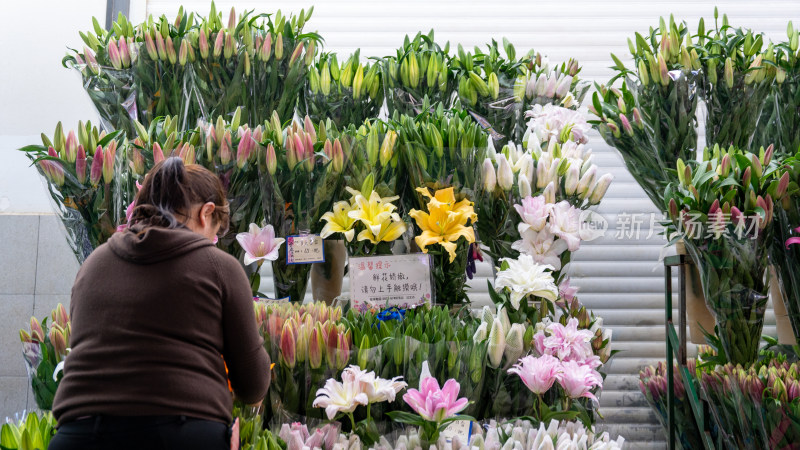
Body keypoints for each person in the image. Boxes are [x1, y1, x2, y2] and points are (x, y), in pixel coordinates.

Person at [49, 157, 271, 450]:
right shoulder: (219, 267)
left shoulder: (93, 265)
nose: (212, 240)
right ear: (206, 214)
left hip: (78, 436)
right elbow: (253, 385)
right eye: (215, 232)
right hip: (181, 435)